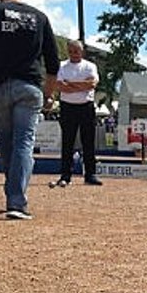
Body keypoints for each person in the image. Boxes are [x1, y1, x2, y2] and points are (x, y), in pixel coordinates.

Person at [0, 0, 59, 220]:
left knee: (6, 144)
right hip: (29, 87)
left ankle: (13, 195)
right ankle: (16, 201)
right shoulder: (40, 18)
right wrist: (49, 95)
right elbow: (53, 64)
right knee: (24, 143)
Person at [54, 39, 101, 186]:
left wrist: (71, 83)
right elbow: (60, 86)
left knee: (89, 142)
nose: (74, 54)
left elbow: (92, 84)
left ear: (82, 51)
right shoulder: (62, 66)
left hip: (86, 106)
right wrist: (82, 85)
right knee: (67, 142)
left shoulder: (90, 66)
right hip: (67, 107)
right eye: (71, 51)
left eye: (77, 51)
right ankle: (65, 175)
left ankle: (90, 174)